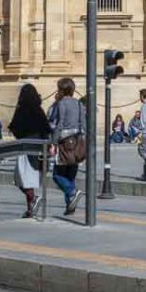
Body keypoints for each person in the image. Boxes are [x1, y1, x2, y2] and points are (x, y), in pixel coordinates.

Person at [9, 83, 51, 217]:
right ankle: (31, 208)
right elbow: (46, 129)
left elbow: (15, 128)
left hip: (25, 149)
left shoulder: (22, 110)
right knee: (28, 180)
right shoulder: (39, 110)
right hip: (39, 150)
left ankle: (32, 201)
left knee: (20, 180)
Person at [48, 78, 85, 215]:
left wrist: (53, 142)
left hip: (64, 143)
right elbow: (83, 124)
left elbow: (59, 124)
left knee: (57, 175)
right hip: (77, 142)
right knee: (70, 176)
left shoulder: (61, 104)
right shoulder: (79, 104)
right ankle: (70, 206)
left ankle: (72, 192)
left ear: (61, 90)